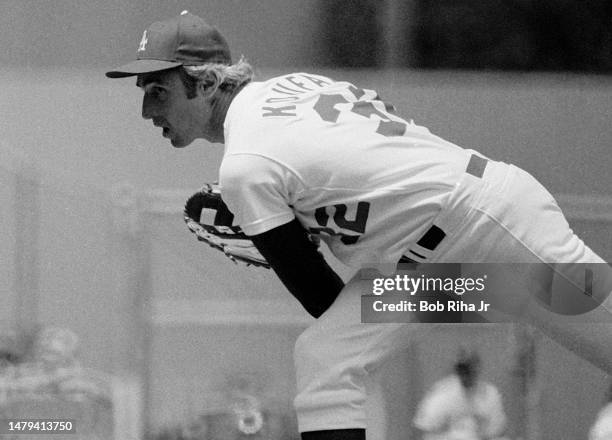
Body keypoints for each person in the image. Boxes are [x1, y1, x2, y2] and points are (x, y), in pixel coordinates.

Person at [106, 11, 612, 440]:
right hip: (428, 260)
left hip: (489, 222)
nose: (147, 109)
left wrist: (282, 239)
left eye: (158, 89)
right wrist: (297, 227)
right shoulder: (292, 87)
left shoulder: (246, 166)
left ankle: (515, 295)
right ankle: (512, 296)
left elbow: (321, 298)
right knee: (328, 356)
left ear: (207, 81)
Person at [413, 350, 507, 440]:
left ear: (478, 368)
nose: (467, 374)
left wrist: (483, 427)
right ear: (457, 370)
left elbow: (497, 428)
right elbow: (424, 426)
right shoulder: (441, 392)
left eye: (471, 369)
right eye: (463, 369)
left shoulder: (490, 393)